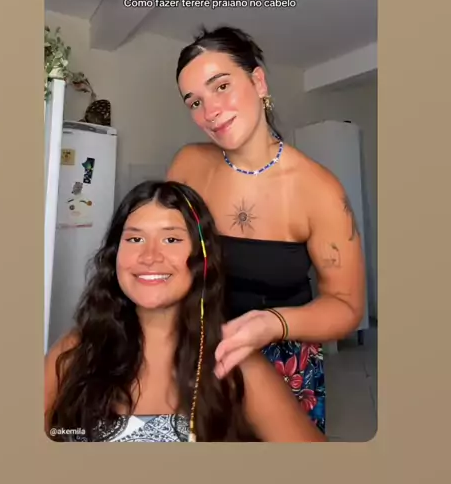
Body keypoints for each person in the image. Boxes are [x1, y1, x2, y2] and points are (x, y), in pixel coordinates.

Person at [167, 26, 367, 433]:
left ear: (258, 82)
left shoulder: (320, 191)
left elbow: (347, 307)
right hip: (198, 352)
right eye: (195, 102)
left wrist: (271, 324)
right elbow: (165, 256)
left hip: (284, 366)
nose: (210, 111)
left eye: (221, 86)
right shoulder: (187, 165)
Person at [45, 180, 326, 443]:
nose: (150, 256)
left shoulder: (236, 364)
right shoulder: (75, 351)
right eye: (135, 239)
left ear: (203, 258)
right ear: (114, 255)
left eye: (171, 240)